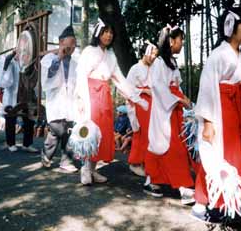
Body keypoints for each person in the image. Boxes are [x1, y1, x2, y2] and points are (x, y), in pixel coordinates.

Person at [192, 7, 241, 230]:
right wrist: (207, 121)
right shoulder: (217, 55)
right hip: (220, 114)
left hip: (238, 114)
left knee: (218, 161)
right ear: (231, 27)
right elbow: (206, 88)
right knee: (231, 161)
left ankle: (201, 203)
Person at [75, 18, 148, 185]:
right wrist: (81, 99)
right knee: (89, 131)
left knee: (102, 132)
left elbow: (120, 80)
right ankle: (85, 167)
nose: (108, 35)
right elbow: (81, 77)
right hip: (90, 93)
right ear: (98, 33)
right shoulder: (89, 51)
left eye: (110, 32)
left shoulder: (110, 56)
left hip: (104, 96)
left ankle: (93, 169)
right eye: (105, 32)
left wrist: (135, 97)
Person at [144, 25, 195, 204]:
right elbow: (158, 87)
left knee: (165, 145)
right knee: (172, 146)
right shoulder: (159, 63)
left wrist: (184, 99)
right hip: (164, 110)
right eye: (181, 39)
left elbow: (176, 86)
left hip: (174, 108)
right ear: (172, 41)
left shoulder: (171, 62)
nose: (182, 43)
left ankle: (153, 179)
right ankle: (183, 187)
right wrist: (179, 100)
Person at [40, 25, 78, 173]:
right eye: (71, 42)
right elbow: (48, 77)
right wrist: (59, 58)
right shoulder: (49, 58)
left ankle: (66, 161)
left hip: (71, 102)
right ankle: (46, 155)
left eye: (75, 43)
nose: (73, 46)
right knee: (56, 131)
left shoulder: (75, 63)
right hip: (56, 102)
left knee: (69, 132)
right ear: (62, 41)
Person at [126, 41, 158, 177]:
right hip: (140, 104)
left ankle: (147, 162)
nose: (154, 58)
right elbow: (127, 88)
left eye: (156, 55)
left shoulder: (155, 68)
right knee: (141, 133)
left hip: (153, 104)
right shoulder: (135, 69)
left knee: (151, 134)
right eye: (152, 54)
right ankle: (135, 162)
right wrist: (144, 90)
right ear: (145, 53)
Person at [0, 50, 38, 153]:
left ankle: (27, 144)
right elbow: (5, 78)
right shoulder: (11, 62)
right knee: (11, 119)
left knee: (29, 119)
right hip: (12, 96)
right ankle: (10, 143)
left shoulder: (29, 63)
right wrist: (10, 56)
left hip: (26, 95)